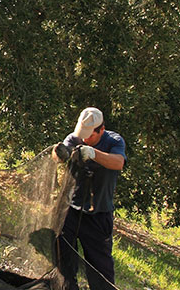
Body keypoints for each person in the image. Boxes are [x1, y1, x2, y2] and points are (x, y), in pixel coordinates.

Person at [51, 107, 126, 290]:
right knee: (64, 259)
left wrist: (93, 154)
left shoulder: (114, 141)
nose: (84, 139)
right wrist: (59, 152)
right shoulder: (75, 138)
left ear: (101, 129)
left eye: (89, 136)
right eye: (82, 134)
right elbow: (58, 155)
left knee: (100, 268)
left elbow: (118, 162)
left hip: (98, 213)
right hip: (70, 210)